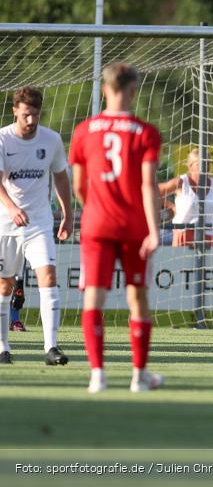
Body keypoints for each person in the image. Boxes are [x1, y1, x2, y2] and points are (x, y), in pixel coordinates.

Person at [69, 62, 163, 393]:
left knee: (94, 297)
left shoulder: (83, 130)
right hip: (134, 226)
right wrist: (154, 230)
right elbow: (149, 186)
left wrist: (97, 208)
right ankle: (139, 377)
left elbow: (78, 186)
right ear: (133, 90)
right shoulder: (146, 132)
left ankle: (98, 375)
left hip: (96, 224)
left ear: (105, 89)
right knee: (137, 295)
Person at [0, 87, 73, 365]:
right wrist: (11, 208)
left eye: (35, 115)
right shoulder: (3, 139)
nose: (31, 121)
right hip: (6, 223)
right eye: (26, 115)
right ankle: (3, 348)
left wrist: (67, 214)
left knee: (48, 276)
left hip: (39, 223)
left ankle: (51, 348)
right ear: (15, 111)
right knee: (5, 285)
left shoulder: (51, 140)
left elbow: (61, 177)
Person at [159, 147, 213, 248]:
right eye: (201, 163)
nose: (206, 167)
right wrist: (171, 206)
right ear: (190, 166)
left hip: (208, 234)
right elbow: (155, 192)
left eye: (208, 163)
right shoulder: (181, 182)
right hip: (184, 233)